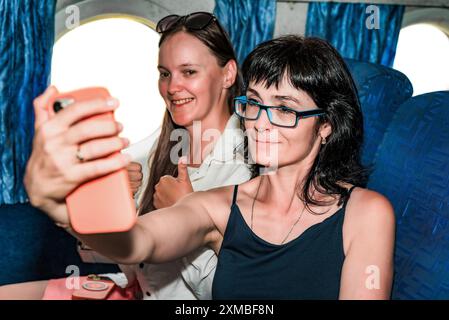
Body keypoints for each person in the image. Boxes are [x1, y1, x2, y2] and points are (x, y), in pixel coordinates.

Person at [17, 35, 395, 299]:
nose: (260, 122)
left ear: (327, 124)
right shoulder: (215, 206)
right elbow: (136, 241)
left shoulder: (365, 214)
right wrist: (62, 207)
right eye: (255, 103)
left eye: (284, 109)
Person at [0, 12, 252, 300]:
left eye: (189, 72)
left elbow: (236, 295)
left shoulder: (248, 167)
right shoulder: (157, 152)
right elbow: (134, 264)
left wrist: (186, 208)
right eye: (165, 73)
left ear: (228, 74)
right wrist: (100, 203)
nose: (171, 88)